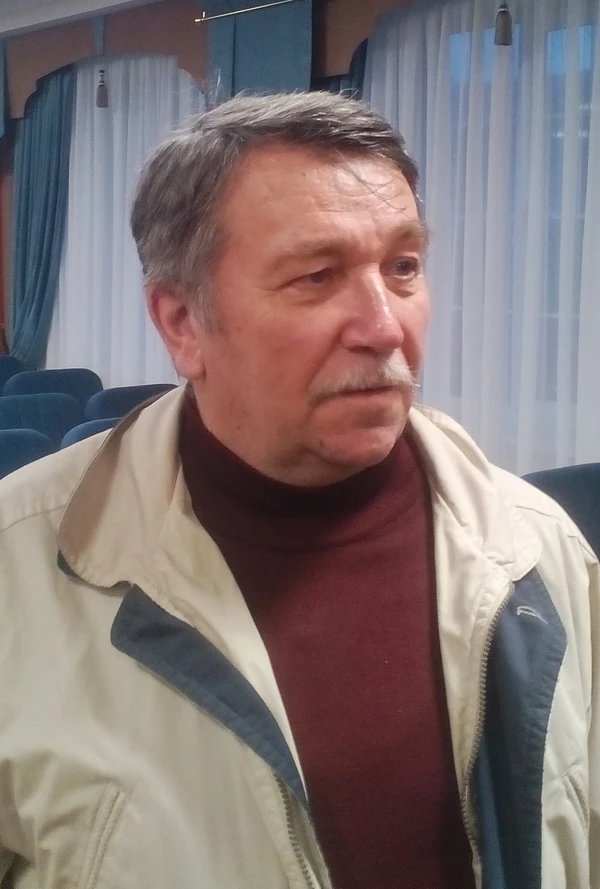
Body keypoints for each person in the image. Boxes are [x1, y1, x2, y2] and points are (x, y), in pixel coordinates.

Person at [0, 92, 598, 889]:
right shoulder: (20, 570)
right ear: (182, 322)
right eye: (317, 277)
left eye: (404, 267)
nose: (384, 326)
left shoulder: (536, 546)